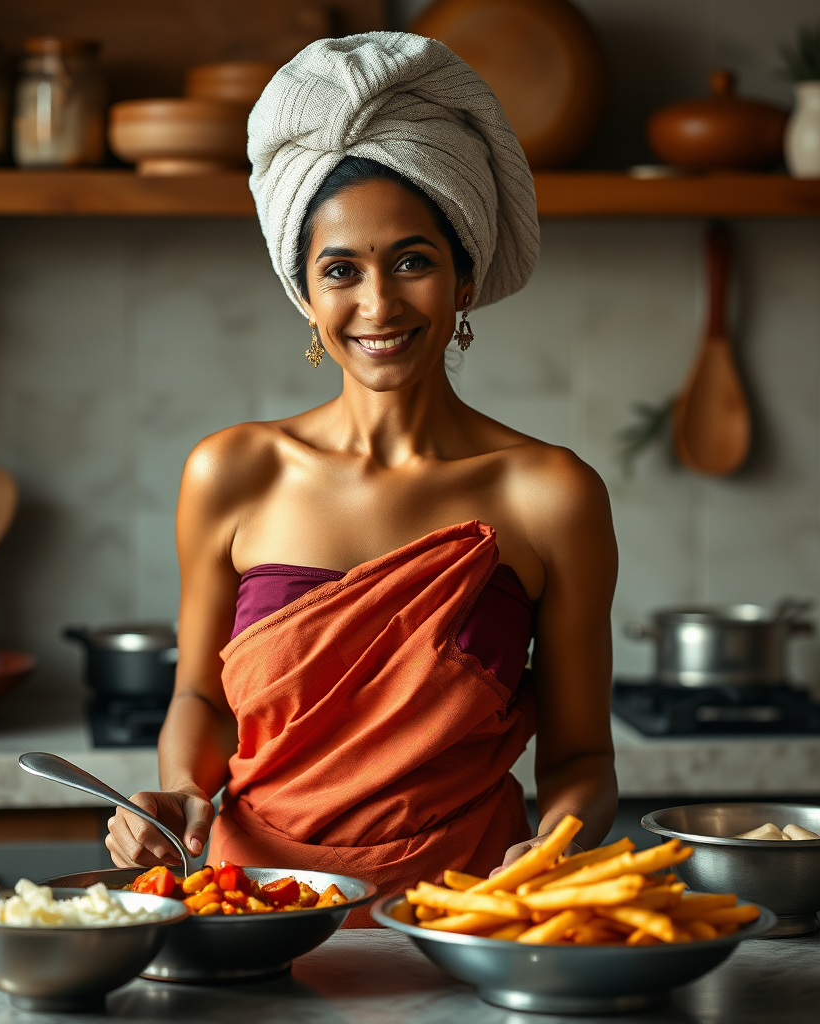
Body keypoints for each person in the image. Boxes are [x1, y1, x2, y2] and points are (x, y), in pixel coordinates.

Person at [106, 31, 618, 921]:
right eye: (341, 271)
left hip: (470, 914)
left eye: (412, 261)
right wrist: (180, 794)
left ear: (463, 275)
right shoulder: (231, 472)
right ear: (305, 293)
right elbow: (198, 694)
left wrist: (559, 839)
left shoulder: (552, 496)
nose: (377, 305)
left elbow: (580, 757)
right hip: (256, 915)